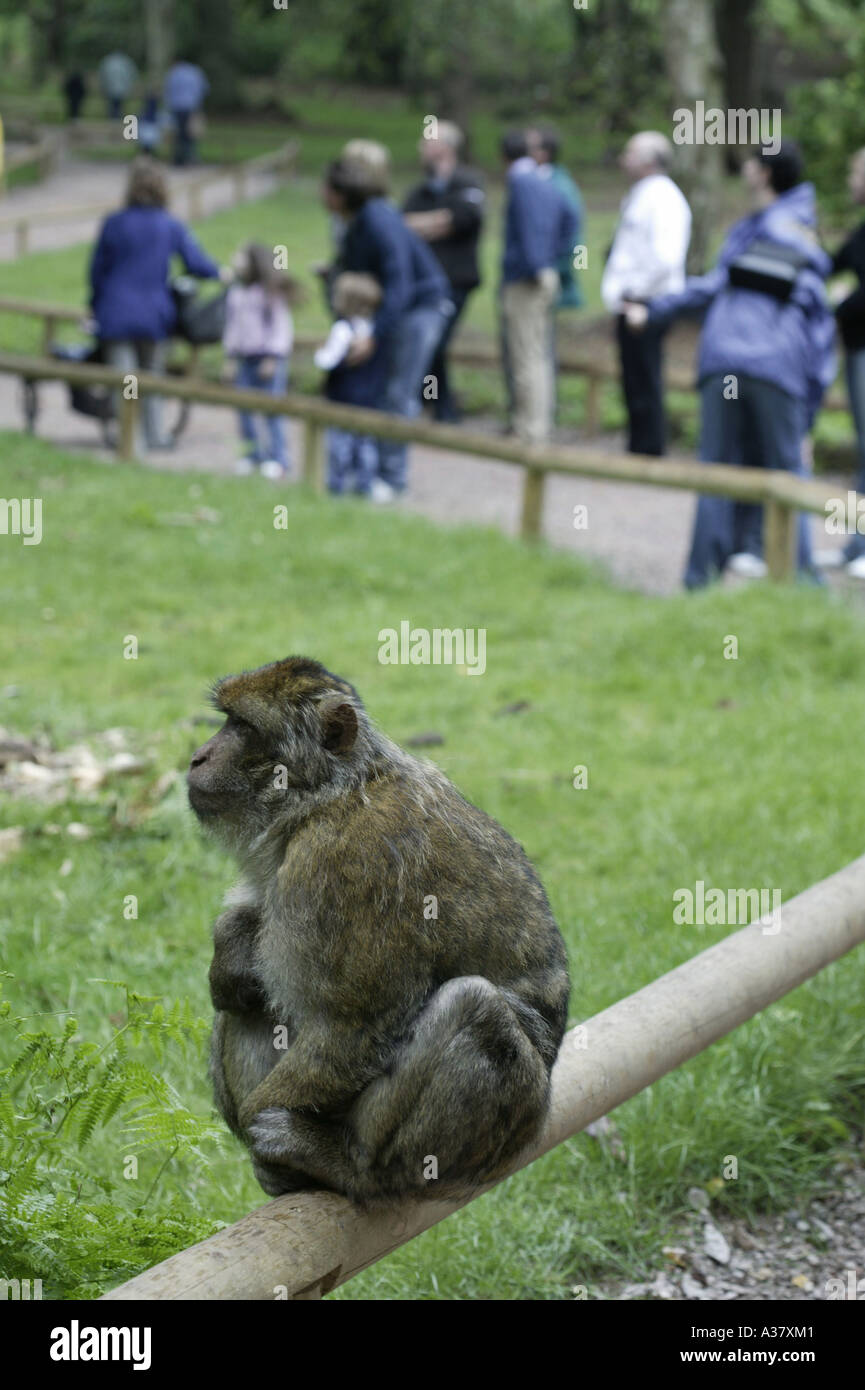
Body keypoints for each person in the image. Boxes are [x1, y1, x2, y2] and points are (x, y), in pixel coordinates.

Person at [625, 142, 836, 589]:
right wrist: (809, 412)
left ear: (763, 173)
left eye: (749, 164)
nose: (742, 171)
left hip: (728, 362)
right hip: (777, 368)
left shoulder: (767, 230)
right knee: (786, 473)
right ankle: (801, 585)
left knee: (717, 472)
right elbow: (819, 323)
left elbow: (716, 285)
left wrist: (655, 309)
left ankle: (701, 581)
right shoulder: (799, 231)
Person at [322, 156, 453, 501]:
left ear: (341, 192)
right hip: (398, 312)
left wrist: (374, 334)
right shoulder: (357, 224)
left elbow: (400, 283)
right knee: (383, 392)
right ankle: (369, 472)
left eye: (326, 189)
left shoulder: (379, 219)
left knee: (399, 393)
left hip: (422, 309)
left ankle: (392, 480)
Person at [89, 159, 221, 451]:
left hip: (117, 313)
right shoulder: (169, 225)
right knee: (152, 380)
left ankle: (130, 442)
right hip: (154, 315)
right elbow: (196, 262)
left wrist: (95, 306)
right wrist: (222, 272)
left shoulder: (115, 222)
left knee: (125, 383)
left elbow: (97, 271)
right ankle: (155, 437)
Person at [601, 131, 692, 456]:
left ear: (648, 160)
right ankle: (638, 445)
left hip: (647, 302)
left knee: (645, 376)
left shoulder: (664, 199)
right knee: (633, 376)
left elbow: (664, 259)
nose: (623, 160)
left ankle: (649, 449)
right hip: (632, 301)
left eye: (630, 153)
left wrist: (635, 296)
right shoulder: (641, 195)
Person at [499, 130, 579, 445]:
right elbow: (571, 218)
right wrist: (554, 256)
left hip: (527, 279)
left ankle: (529, 431)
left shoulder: (520, 182)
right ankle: (536, 425)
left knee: (525, 356)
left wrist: (535, 263)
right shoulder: (547, 182)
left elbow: (530, 227)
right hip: (544, 274)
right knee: (538, 354)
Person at [402, 121, 484, 422]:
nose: (420, 148)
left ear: (445, 147)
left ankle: (441, 407)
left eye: (426, 141)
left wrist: (424, 224)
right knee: (429, 342)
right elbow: (401, 226)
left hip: (456, 281)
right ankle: (437, 406)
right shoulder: (421, 190)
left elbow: (464, 219)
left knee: (434, 341)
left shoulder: (468, 182)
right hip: (425, 283)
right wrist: (439, 222)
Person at [822, 148, 865, 576]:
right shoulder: (860, 231)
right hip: (856, 350)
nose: (851, 181)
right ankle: (857, 544)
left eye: (856, 173)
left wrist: (841, 303)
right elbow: (829, 264)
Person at [223, 242, 298, 480]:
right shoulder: (237, 294)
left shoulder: (269, 293)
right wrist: (230, 357)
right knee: (244, 408)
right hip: (244, 357)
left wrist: (273, 357)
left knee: (272, 409)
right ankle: (252, 454)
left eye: (240, 256)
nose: (235, 259)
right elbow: (233, 327)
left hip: (268, 359)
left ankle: (278, 458)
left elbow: (281, 328)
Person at [314, 272, 388, 496]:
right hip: (370, 398)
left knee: (340, 445)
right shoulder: (375, 331)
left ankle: (336, 487)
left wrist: (319, 353)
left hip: (343, 397)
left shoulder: (343, 330)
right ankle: (364, 486)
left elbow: (327, 360)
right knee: (365, 444)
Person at [163, 57, 209, 167]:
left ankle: (178, 158)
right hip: (192, 106)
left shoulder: (174, 73)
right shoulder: (196, 71)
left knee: (178, 134)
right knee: (191, 133)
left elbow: (168, 90)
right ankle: (191, 157)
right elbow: (204, 89)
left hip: (177, 107)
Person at [98, 52, 137, 121]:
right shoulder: (125, 62)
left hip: (112, 89)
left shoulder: (109, 61)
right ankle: (116, 120)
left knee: (114, 107)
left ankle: (114, 121)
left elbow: (103, 76)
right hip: (120, 89)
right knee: (117, 107)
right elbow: (131, 76)